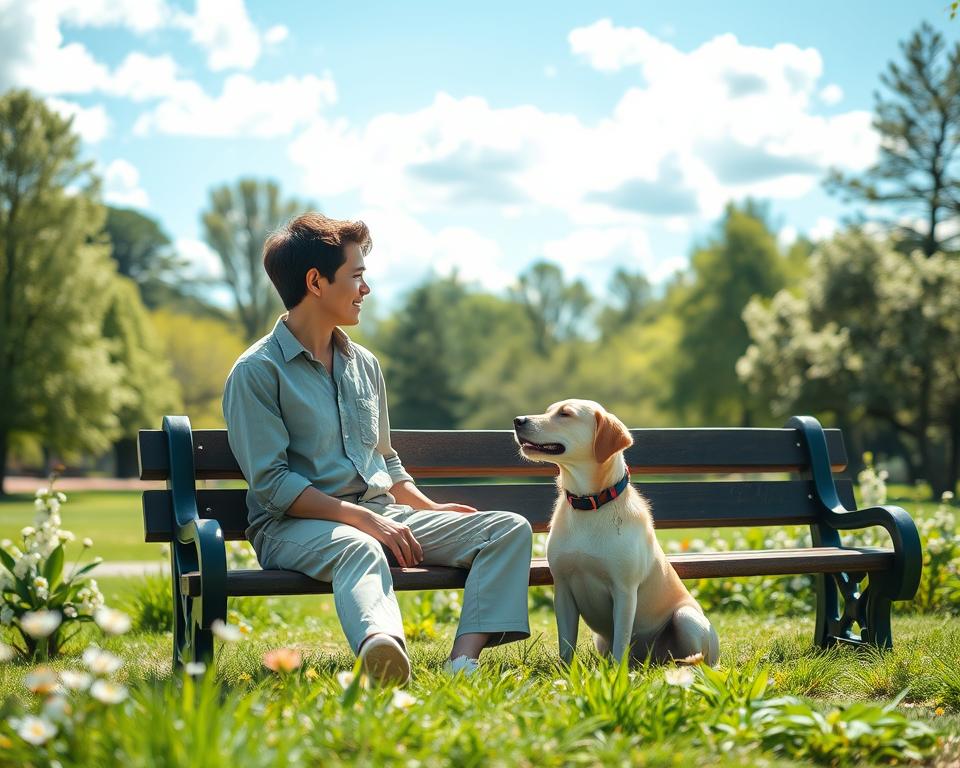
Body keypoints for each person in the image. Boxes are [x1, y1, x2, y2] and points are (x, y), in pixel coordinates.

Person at [222, 212, 532, 685]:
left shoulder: (364, 364)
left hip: (380, 513)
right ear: (315, 282)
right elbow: (273, 485)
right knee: (360, 545)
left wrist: (429, 508)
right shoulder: (257, 372)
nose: (365, 288)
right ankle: (381, 650)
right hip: (292, 527)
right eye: (356, 276)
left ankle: (463, 662)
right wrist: (363, 520)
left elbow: (384, 458)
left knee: (506, 529)